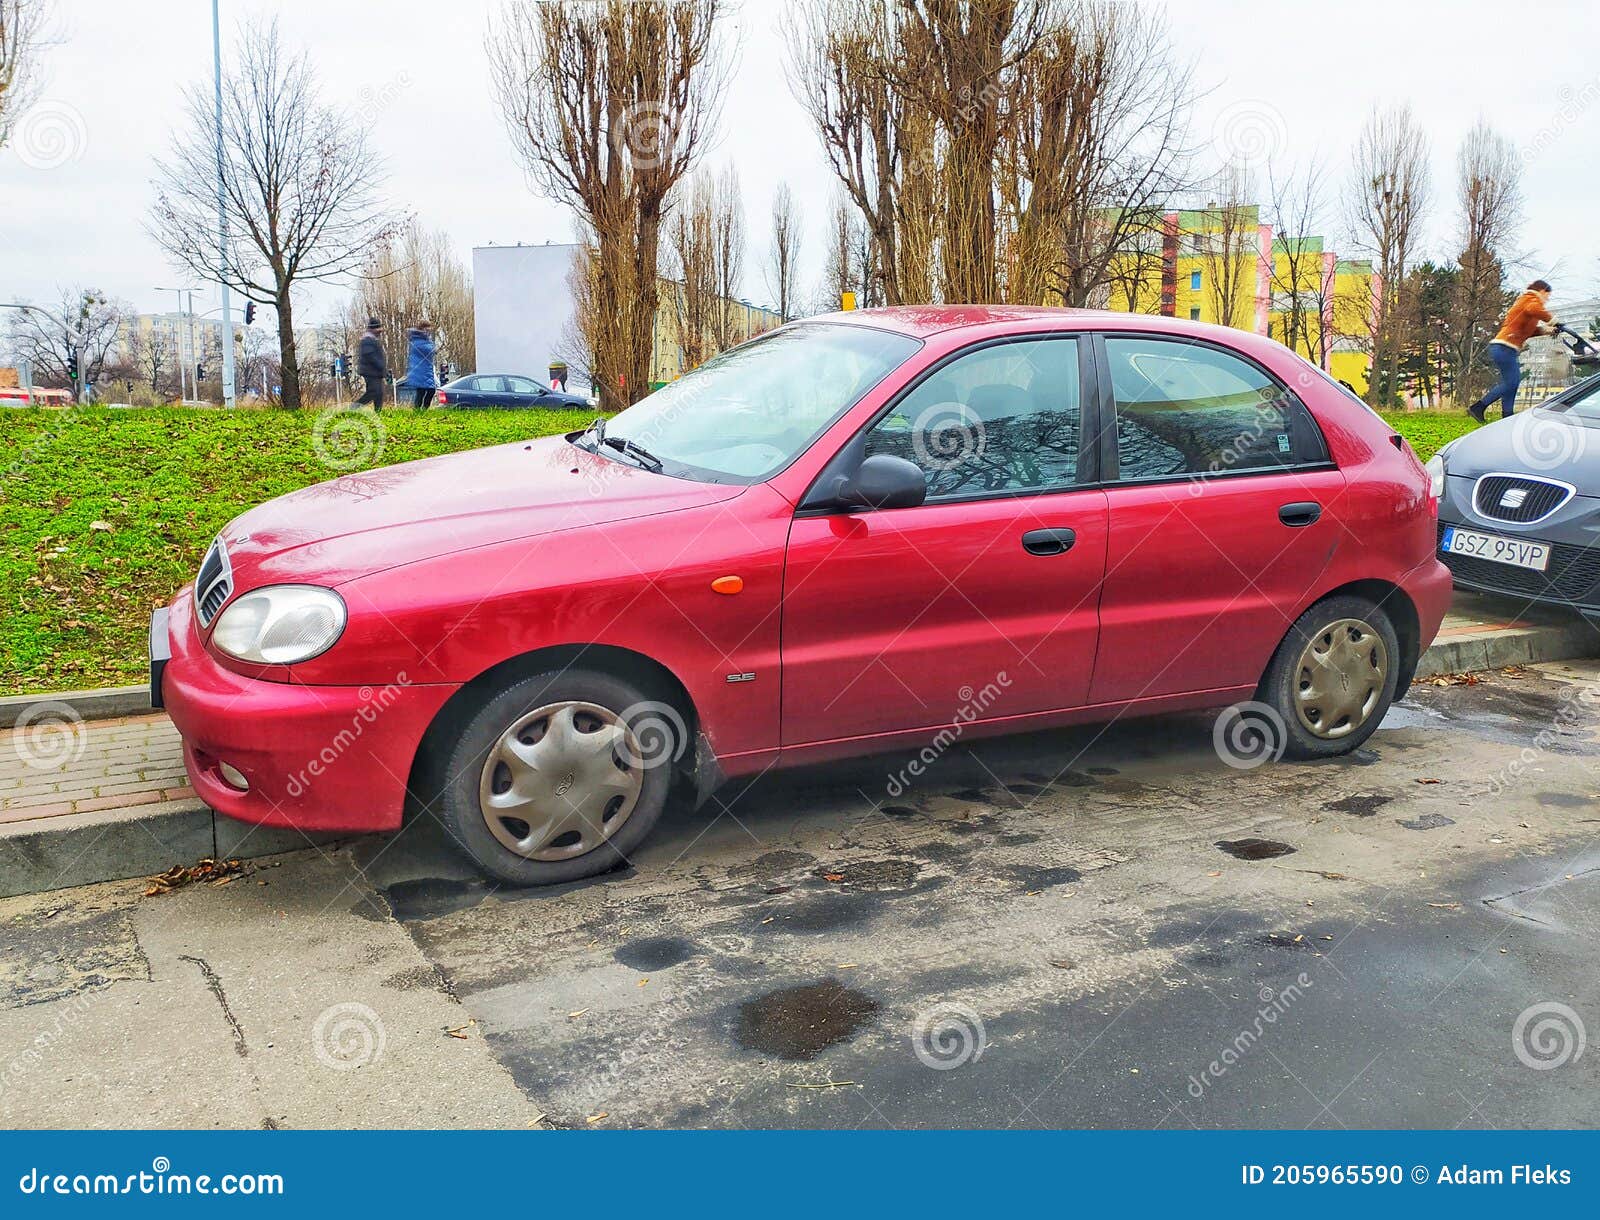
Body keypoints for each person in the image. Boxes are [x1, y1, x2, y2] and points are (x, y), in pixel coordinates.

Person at [1467, 279, 1556, 423]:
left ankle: (1507, 416)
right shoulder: (1531, 299)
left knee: (1511, 382)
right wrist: (1553, 320)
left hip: (1505, 347)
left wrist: (1547, 330)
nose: (1547, 299)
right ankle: (1479, 407)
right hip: (1504, 346)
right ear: (1542, 291)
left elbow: (1528, 331)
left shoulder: (1526, 303)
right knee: (1511, 382)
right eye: (1547, 295)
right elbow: (1533, 309)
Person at [355, 318, 387, 410]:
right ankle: (353, 407)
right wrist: (381, 366)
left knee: (379, 393)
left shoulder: (372, 339)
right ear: (373, 329)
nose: (380, 332)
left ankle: (378, 411)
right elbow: (370, 356)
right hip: (370, 371)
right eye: (378, 329)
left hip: (375, 371)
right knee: (373, 392)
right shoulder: (367, 340)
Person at [405, 322, 438, 409]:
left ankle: (420, 409)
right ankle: (420, 409)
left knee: (423, 391)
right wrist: (433, 348)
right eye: (427, 328)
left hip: (425, 370)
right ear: (423, 328)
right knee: (426, 390)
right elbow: (428, 350)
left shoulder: (424, 339)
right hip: (420, 370)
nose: (429, 330)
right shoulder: (418, 340)